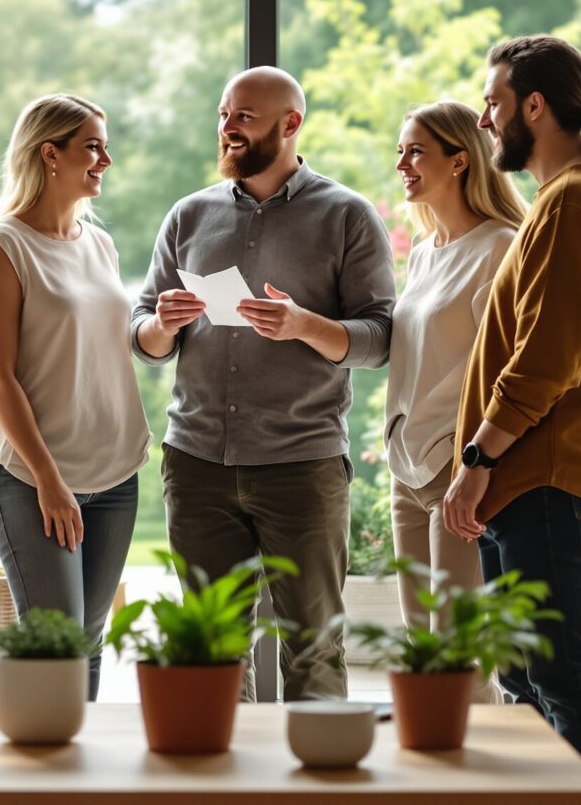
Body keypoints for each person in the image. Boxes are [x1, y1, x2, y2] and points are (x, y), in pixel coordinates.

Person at [131, 65, 396, 702]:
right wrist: (163, 325)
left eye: (244, 117)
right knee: (212, 648)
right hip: (196, 463)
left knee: (313, 646)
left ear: (291, 123)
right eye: (224, 114)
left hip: (301, 464)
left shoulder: (347, 215)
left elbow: (381, 338)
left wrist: (305, 325)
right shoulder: (188, 214)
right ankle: (227, 763)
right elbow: (142, 335)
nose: (228, 127)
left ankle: (316, 763)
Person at [443, 34, 581, 802]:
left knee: (561, 670)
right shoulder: (567, 197)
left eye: (493, 103)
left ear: (534, 106)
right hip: (532, 480)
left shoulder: (575, 201)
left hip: (548, 479)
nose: (485, 120)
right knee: (528, 671)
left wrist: (478, 460)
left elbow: (548, 356)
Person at [0, 94, 150, 700]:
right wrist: (47, 479)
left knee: (87, 638)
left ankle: (75, 756)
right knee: (55, 642)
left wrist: (162, 325)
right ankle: (41, 757)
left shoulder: (99, 244)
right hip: (34, 477)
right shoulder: (0, 248)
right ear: (50, 154)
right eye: (92, 147)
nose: (105, 160)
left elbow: (102, 346)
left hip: (114, 472)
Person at [384, 102, 524, 640]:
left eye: (416, 152)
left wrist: (474, 461)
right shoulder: (423, 254)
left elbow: (508, 367)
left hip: (457, 466)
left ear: (460, 161)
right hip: (407, 466)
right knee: (422, 643)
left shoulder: (499, 248)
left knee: (457, 644)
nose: (402, 164)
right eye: (400, 151)